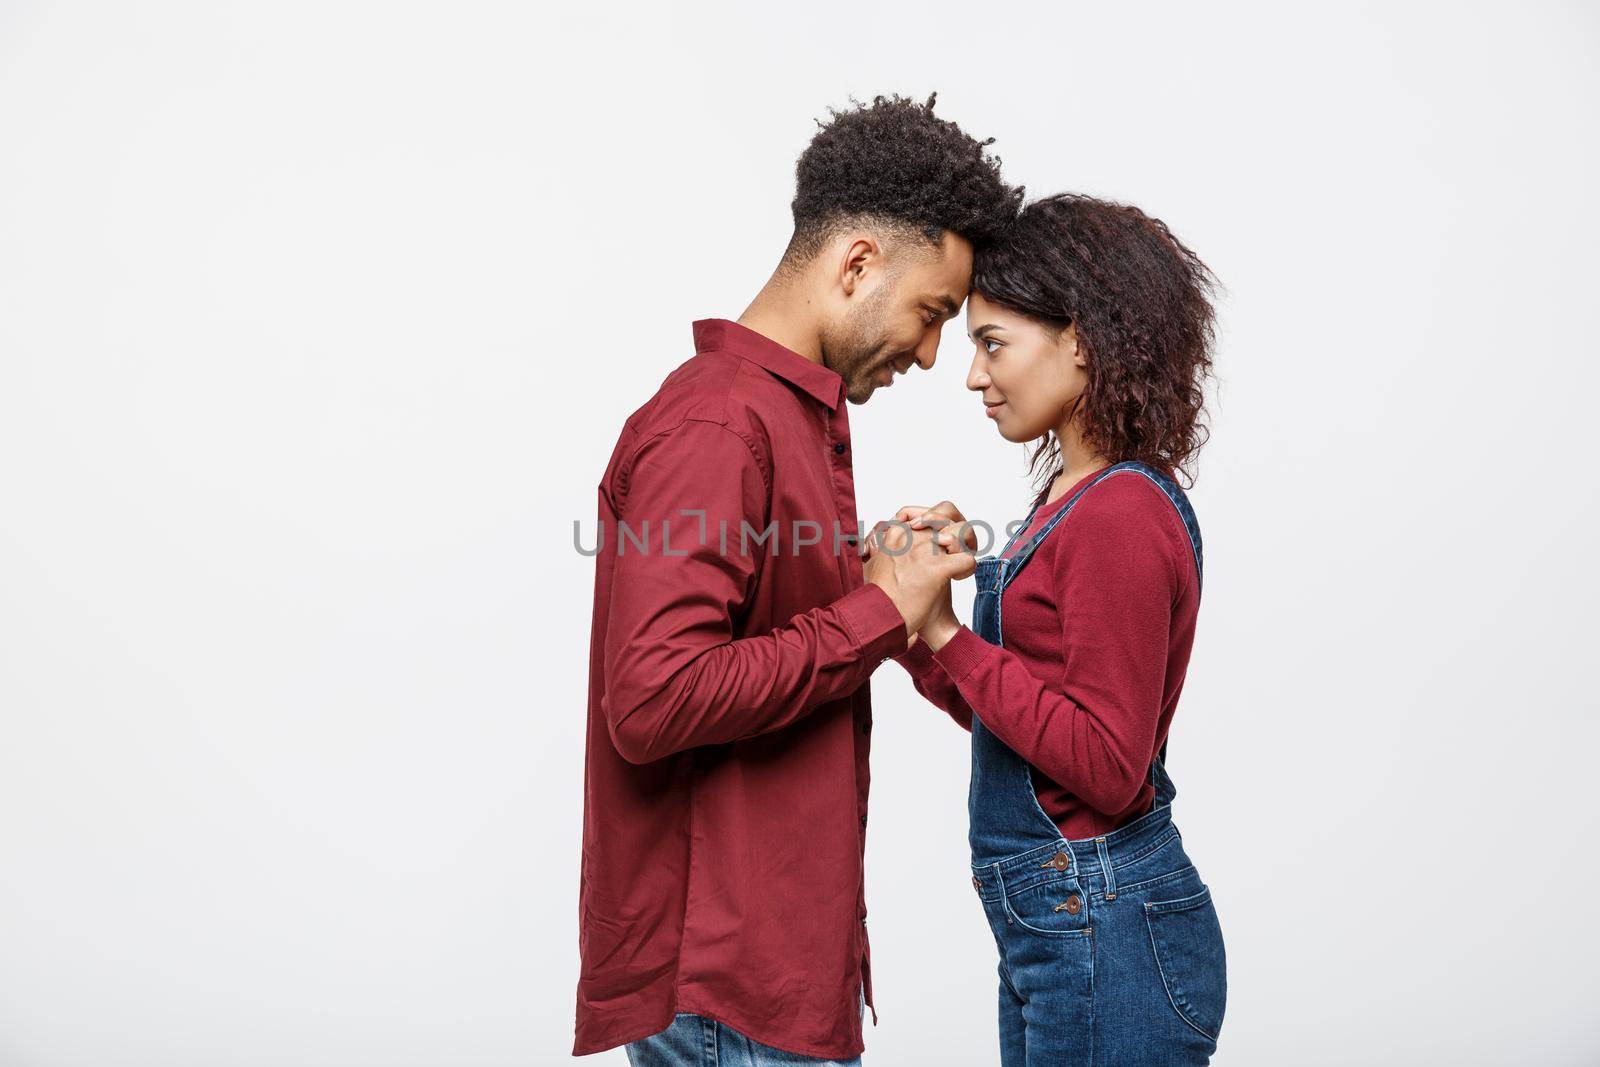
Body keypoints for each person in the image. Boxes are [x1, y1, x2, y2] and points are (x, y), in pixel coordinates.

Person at [574, 94, 1022, 1065]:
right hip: (729, 994)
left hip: (764, 981)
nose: (932, 351)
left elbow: (745, 635)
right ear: (856, 262)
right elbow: (651, 697)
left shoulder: (778, 416)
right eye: (931, 313)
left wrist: (870, 575)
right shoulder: (718, 427)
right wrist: (875, 608)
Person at [880, 192, 1227, 1064]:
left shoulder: (1120, 514)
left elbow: (1107, 768)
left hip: (1100, 918)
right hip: (1063, 921)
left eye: (993, 343)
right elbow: (1031, 727)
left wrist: (952, 636)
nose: (971, 375)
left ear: (1081, 339)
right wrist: (916, 618)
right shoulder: (1068, 502)